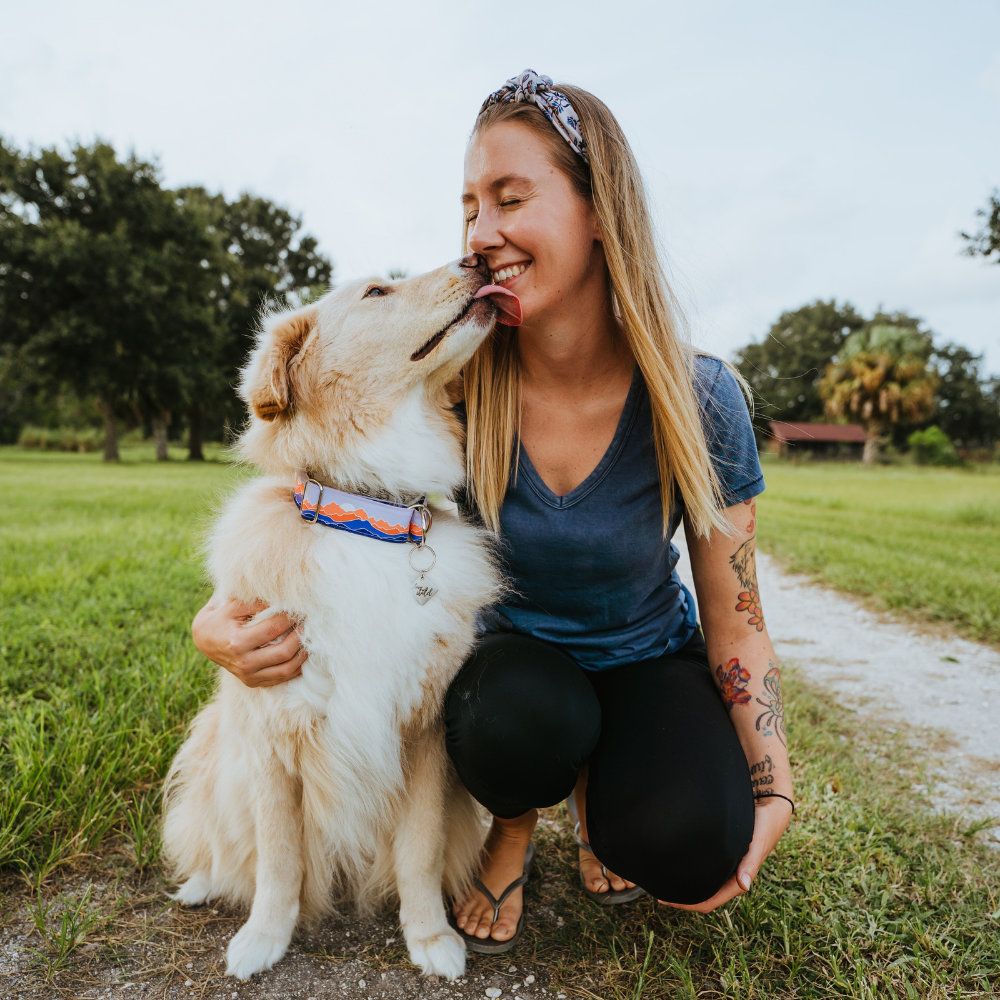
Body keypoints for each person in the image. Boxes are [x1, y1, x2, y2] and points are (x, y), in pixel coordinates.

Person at [191, 70, 793, 956]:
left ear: (599, 210)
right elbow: (326, 477)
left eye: (512, 199)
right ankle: (513, 826)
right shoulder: (456, 379)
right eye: (471, 207)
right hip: (513, 680)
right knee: (511, 718)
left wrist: (771, 782)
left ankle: (600, 800)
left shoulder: (696, 397)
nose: (482, 236)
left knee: (688, 839)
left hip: (642, 656)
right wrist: (218, 620)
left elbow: (737, 623)